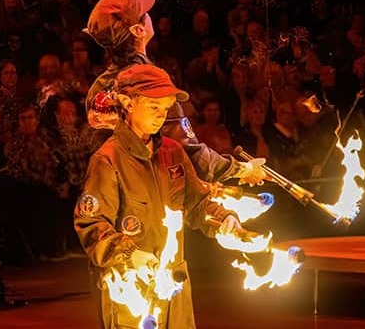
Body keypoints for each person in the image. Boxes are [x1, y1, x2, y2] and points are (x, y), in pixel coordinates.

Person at [75, 64, 247, 329]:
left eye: (165, 108)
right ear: (127, 103)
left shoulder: (173, 152)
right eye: (154, 107)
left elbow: (197, 202)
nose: (161, 115)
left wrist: (224, 220)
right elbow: (91, 224)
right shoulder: (107, 160)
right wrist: (129, 255)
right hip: (130, 285)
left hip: (174, 282)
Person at [81, 0, 267, 186]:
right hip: (147, 199)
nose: (150, 16)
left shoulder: (98, 88)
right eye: (145, 13)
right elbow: (189, 154)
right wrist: (241, 169)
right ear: (139, 30)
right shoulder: (150, 82)